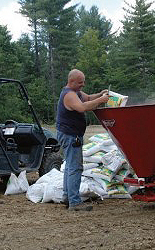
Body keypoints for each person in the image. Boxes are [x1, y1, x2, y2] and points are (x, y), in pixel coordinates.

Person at [56, 69, 109, 211]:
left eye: (83, 82)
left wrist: (100, 94)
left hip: (70, 134)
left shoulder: (76, 92)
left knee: (69, 166)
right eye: (80, 82)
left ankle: (67, 197)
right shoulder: (69, 95)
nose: (83, 85)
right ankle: (74, 202)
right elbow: (82, 107)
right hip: (70, 136)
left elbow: (88, 98)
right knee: (75, 167)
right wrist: (101, 101)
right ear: (71, 81)